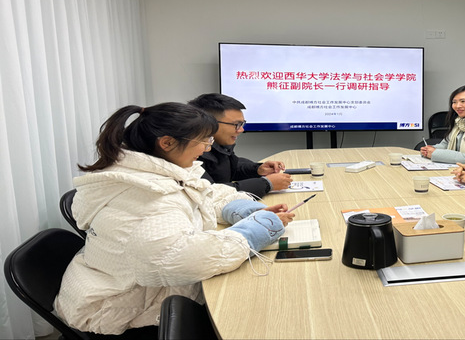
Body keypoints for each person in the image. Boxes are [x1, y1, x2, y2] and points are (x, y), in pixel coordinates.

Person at [55, 103, 295, 336]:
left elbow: (203, 194)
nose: (207, 148)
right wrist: (255, 231)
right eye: (204, 141)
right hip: (116, 309)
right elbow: (183, 260)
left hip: (109, 286)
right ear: (167, 143)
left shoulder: (145, 172)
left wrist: (245, 210)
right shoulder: (149, 196)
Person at [188, 93, 291, 197]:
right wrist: (267, 184)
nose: (241, 129)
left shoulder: (219, 146)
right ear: (210, 123)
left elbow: (229, 169)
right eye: (236, 124)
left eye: (242, 124)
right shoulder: (189, 154)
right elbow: (212, 193)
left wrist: (257, 169)